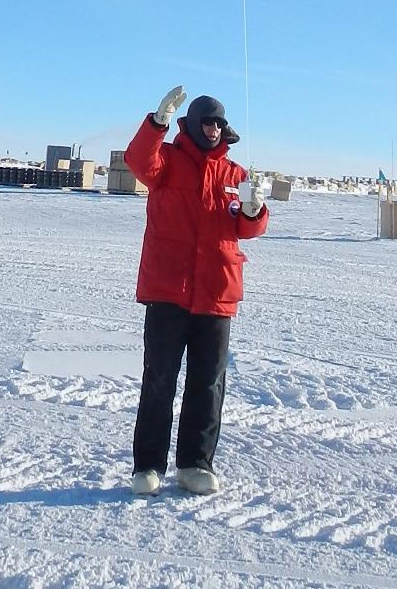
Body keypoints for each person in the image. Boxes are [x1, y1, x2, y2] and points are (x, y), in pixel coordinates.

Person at [124, 85, 268, 496]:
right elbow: (139, 161)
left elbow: (246, 227)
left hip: (217, 293)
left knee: (208, 384)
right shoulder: (166, 160)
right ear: (191, 125)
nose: (214, 128)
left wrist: (256, 210)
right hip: (169, 290)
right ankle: (147, 466)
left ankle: (195, 464)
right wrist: (157, 122)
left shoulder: (235, 174)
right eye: (207, 121)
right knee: (159, 380)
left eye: (220, 123)